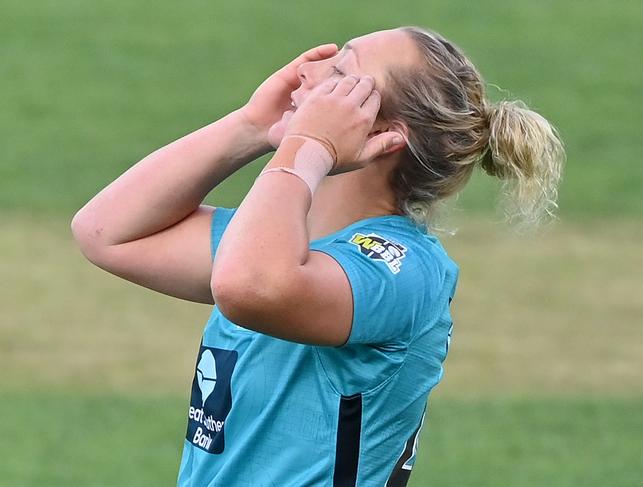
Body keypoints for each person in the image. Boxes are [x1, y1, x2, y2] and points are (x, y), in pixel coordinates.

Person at [71, 26, 564, 486]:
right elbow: (106, 233)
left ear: (381, 133)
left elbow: (250, 287)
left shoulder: (404, 268)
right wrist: (249, 127)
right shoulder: (272, 246)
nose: (307, 70)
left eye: (341, 75)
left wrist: (308, 146)